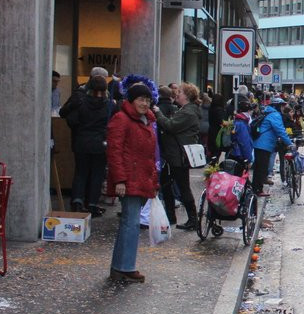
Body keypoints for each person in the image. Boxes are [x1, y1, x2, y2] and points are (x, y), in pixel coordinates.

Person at [106, 82, 160, 284]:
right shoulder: (122, 120)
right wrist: (119, 179)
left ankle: (120, 267)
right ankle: (125, 267)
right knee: (131, 223)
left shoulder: (145, 121)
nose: (145, 103)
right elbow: (114, 152)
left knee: (129, 223)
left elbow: (148, 156)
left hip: (139, 178)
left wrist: (153, 180)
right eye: (140, 99)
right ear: (131, 100)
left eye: (147, 100)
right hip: (129, 179)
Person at [59, 75, 116, 217]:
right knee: (97, 173)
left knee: (80, 172)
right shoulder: (110, 105)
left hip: (81, 141)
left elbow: (68, 117)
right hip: (100, 143)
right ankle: (92, 203)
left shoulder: (81, 102)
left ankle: (77, 201)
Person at [153, 82, 202, 230]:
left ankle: (193, 219)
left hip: (179, 155)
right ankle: (171, 216)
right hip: (175, 154)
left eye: (180, 92)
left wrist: (158, 113)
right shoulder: (186, 110)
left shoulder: (188, 112)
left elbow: (170, 125)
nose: (177, 94)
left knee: (182, 187)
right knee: (168, 185)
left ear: (186, 96)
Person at [251, 96, 295, 196]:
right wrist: (289, 143)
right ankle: (258, 190)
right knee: (261, 168)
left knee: (258, 168)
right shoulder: (275, 115)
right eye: (282, 106)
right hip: (264, 145)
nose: (283, 108)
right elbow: (280, 131)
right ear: (277, 106)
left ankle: (256, 188)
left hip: (260, 144)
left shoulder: (268, 113)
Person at [226, 99, 254, 172]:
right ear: (248, 111)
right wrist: (249, 158)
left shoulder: (236, 121)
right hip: (240, 155)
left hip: (235, 152)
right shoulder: (243, 124)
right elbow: (245, 142)